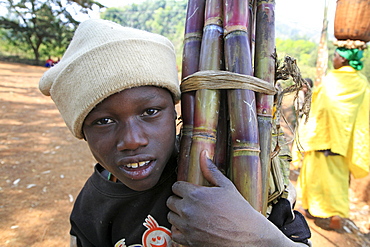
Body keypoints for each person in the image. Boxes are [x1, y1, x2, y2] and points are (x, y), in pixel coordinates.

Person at [39, 19, 310, 247]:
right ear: (82, 132)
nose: (133, 140)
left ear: (176, 111)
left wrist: (259, 238)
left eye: (150, 112)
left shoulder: (237, 173)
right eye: (104, 121)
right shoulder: (90, 209)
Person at [295, 47, 370, 230]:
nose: (333, 58)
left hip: (322, 138)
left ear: (343, 60)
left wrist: (307, 133)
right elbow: (362, 115)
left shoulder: (332, 80)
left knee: (314, 177)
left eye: (336, 55)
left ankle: (318, 211)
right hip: (343, 142)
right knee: (337, 182)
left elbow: (319, 108)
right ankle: (333, 215)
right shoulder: (362, 83)